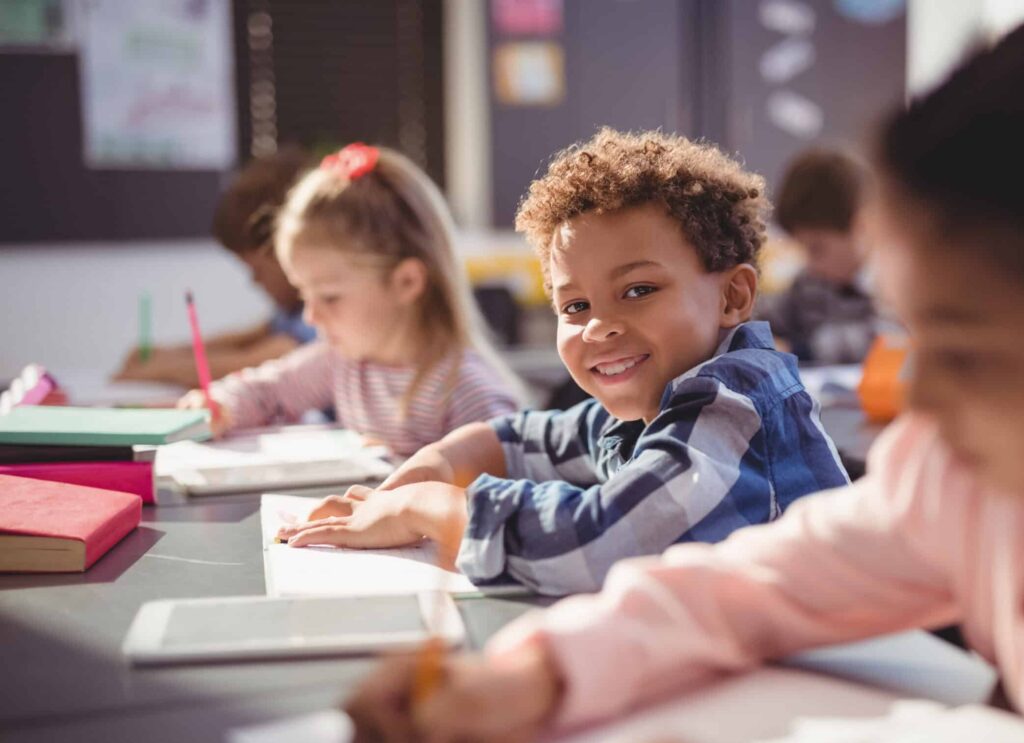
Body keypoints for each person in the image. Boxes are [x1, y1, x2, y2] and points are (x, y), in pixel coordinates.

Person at [343, 25, 1024, 741]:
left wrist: (445, 509)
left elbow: (611, 540)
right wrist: (540, 673)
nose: (921, 401)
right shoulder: (953, 477)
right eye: (920, 334)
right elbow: (744, 589)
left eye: (969, 347)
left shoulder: (731, 398)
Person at [276, 129, 849, 596]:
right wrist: (436, 464)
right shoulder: (650, 400)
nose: (598, 326)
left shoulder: (732, 408)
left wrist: (431, 506)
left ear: (733, 297)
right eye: (575, 305)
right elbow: (525, 439)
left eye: (638, 290)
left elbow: (602, 546)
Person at [178, 143, 523, 456]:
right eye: (304, 295)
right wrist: (221, 405)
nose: (310, 316)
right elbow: (267, 391)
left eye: (329, 297)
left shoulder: (468, 393)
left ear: (406, 282)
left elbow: (503, 500)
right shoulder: (345, 362)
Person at [115, 147, 316, 387]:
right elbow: (250, 338)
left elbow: (266, 359)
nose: (254, 281)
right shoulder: (292, 310)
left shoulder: (322, 306)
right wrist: (171, 352)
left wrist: (159, 369)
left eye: (257, 270)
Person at [758, 147, 877, 364]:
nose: (809, 263)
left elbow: (881, 340)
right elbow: (769, 319)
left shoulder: (888, 285)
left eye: (817, 248)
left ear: (861, 228)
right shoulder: (809, 281)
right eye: (802, 249)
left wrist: (798, 348)